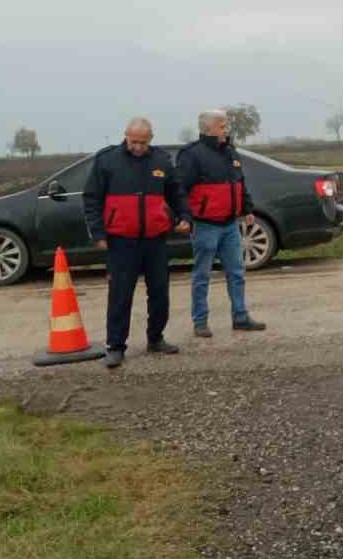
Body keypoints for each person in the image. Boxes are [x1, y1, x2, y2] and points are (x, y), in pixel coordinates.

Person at [83, 117, 191, 368]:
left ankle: (156, 338)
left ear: (151, 139)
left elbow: (176, 192)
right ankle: (116, 346)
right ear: (126, 136)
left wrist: (185, 216)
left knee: (160, 293)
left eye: (143, 142)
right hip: (121, 241)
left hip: (156, 240)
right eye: (133, 142)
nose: (138, 147)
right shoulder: (107, 160)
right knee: (120, 295)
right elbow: (92, 199)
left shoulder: (161, 161)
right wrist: (98, 234)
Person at [178, 109, 267, 337]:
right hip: (205, 225)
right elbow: (180, 190)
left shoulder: (230, 151)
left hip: (230, 225)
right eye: (221, 125)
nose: (225, 129)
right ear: (208, 128)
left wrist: (247, 208)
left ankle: (240, 317)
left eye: (225, 125)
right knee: (202, 275)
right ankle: (200, 322)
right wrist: (185, 217)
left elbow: (239, 182)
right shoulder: (191, 155)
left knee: (236, 273)